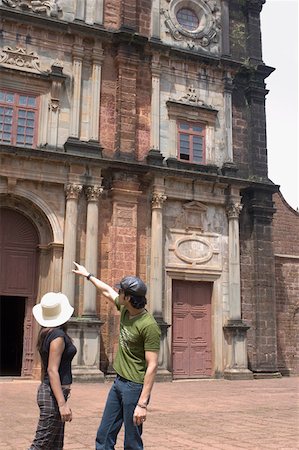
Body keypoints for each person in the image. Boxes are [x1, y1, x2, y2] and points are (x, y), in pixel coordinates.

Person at [72, 262, 161, 450]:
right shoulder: (126, 309)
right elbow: (105, 291)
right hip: (118, 383)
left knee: (132, 441)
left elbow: (152, 365)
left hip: (134, 387)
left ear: (128, 297)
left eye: (121, 292)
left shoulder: (149, 325)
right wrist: (88, 275)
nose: (117, 293)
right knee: (104, 436)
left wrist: (142, 404)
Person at [29, 292, 77, 450]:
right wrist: (62, 404)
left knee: (55, 445)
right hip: (52, 395)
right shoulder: (57, 337)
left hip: (51, 392)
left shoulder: (46, 333)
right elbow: (52, 370)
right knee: (41, 444)